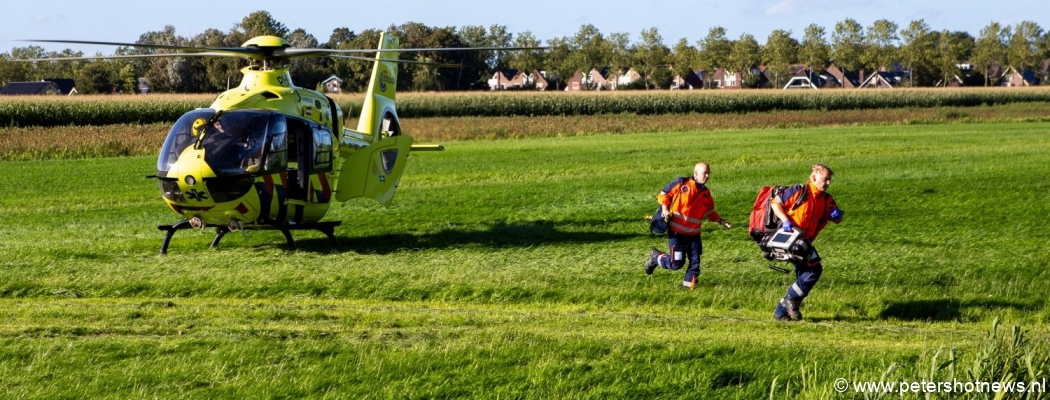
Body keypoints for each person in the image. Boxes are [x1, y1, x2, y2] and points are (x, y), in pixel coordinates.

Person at [771, 164, 843, 321]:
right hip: (792, 241)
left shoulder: (827, 199)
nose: (828, 183)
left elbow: (836, 217)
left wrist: (837, 215)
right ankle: (789, 301)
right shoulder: (799, 191)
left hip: (805, 243)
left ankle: (781, 312)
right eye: (825, 179)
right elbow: (775, 204)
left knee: (805, 275)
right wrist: (785, 221)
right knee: (813, 271)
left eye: (830, 180)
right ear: (814, 177)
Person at [644, 162, 733, 289]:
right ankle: (656, 257)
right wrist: (664, 209)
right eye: (704, 173)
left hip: (694, 235)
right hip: (676, 233)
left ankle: (689, 288)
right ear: (695, 173)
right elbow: (664, 194)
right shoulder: (682, 183)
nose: (707, 176)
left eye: (708, 173)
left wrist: (722, 221)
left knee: (695, 263)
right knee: (677, 263)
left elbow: (710, 212)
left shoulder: (706, 194)